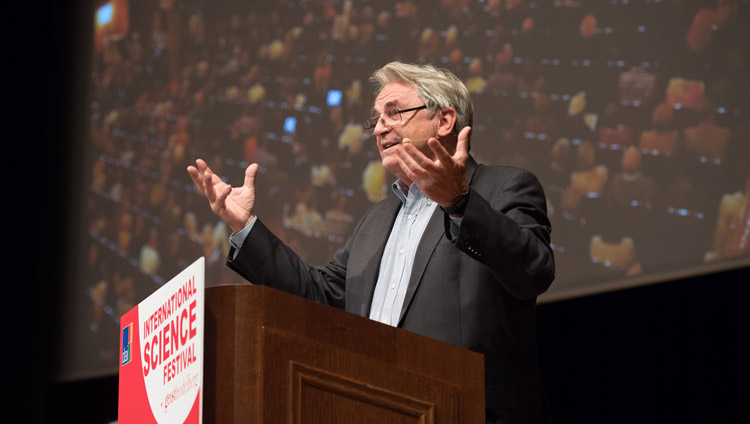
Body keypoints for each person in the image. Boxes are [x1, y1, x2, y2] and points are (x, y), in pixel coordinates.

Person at [188, 61, 555, 423]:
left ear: (444, 121)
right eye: (376, 119)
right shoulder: (375, 220)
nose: (379, 128)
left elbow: (533, 272)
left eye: (394, 113)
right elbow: (320, 297)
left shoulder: (503, 187)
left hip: (469, 411)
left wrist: (460, 204)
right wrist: (245, 226)